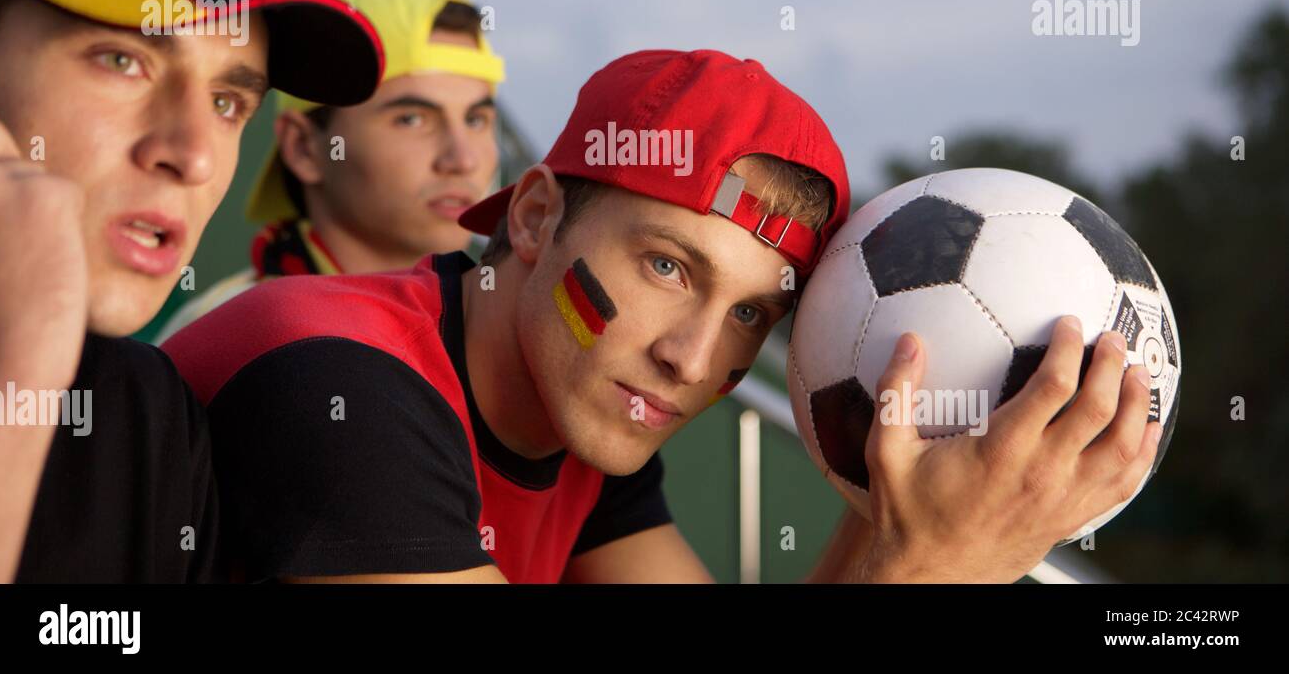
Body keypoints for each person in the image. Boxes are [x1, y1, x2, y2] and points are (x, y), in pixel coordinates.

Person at [162, 48, 1162, 582]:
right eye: (666, 266)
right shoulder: (341, 385)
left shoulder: (579, 425)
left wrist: (896, 509)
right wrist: (942, 568)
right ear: (535, 212)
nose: (692, 357)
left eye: (749, 316)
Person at [0, 0, 383, 582]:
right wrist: (24, 359)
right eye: (122, 59)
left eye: (229, 101)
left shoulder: (148, 410)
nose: (195, 154)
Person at [155, 0, 504, 341]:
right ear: (304, 147)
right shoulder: (223, 341)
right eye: (411, 119)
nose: (462, 159)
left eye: (476, 120)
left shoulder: (502, 334)